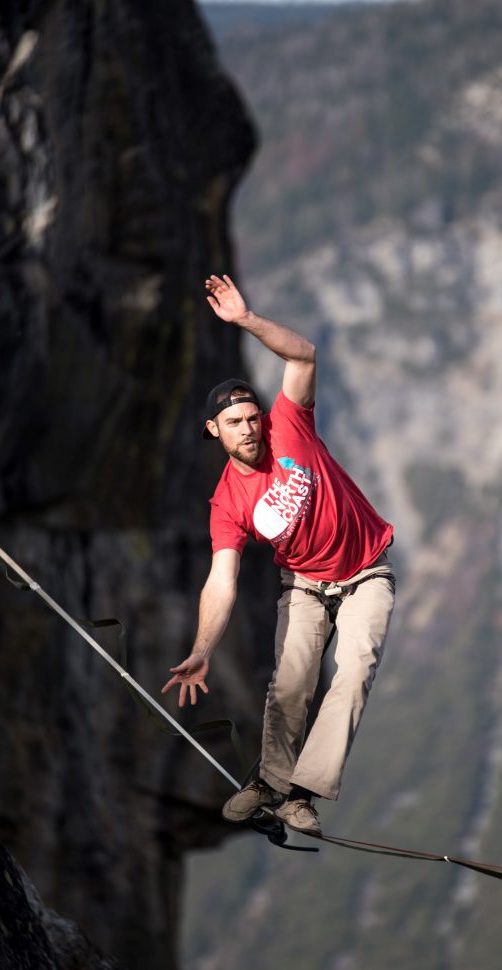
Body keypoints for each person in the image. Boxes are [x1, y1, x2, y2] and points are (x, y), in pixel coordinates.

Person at [162, 274, 395, 836]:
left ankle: (304, 794)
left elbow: (304, 354)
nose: (249, 429)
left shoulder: (290, 424)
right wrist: (201, 650)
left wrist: (245, 321)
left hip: (367, 572)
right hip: (306, 584)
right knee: (291, 684)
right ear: (213, 431)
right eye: (235, 423)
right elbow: (222, 581)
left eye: (252, 417)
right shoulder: (226, 502)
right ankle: (270, 781)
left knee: (355, 668)